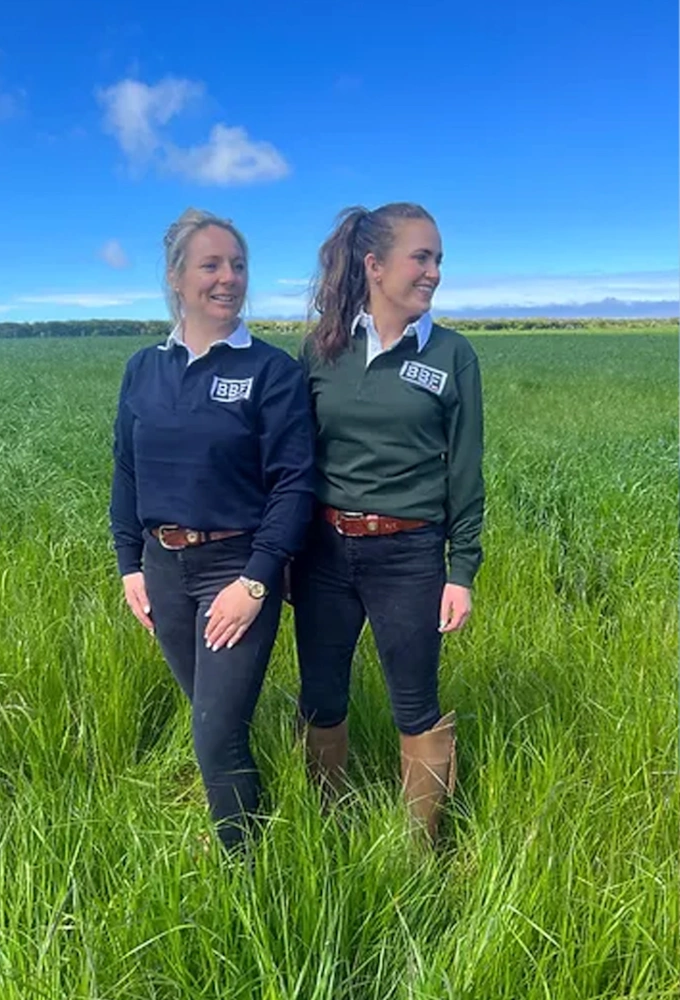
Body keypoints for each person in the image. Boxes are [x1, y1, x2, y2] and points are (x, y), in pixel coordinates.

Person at [110, 208, 315, 851]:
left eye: (238, 265)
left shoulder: (270, 371)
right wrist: (129, 564)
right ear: (176, 277)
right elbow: (125, 468)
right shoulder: (144, 368)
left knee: (216, 732)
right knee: (211, 715)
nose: (229, 278)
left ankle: (245, 875)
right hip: (163, 570)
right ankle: (246, 818)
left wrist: (257, 581)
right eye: (211, 265)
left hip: (235, 569)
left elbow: (294, 483)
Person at [291, 202, 484, 843]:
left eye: (438, 261)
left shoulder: (452, 355)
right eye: (420, 258)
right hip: (323, 551)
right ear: (374, 266)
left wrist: (461, 571)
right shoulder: (323, 350)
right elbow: (296, 462)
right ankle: (327, 825)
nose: (432, 273)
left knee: (415, 704)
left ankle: (419, 850)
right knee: (321, 695)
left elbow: (465, 472)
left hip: (409, 554)